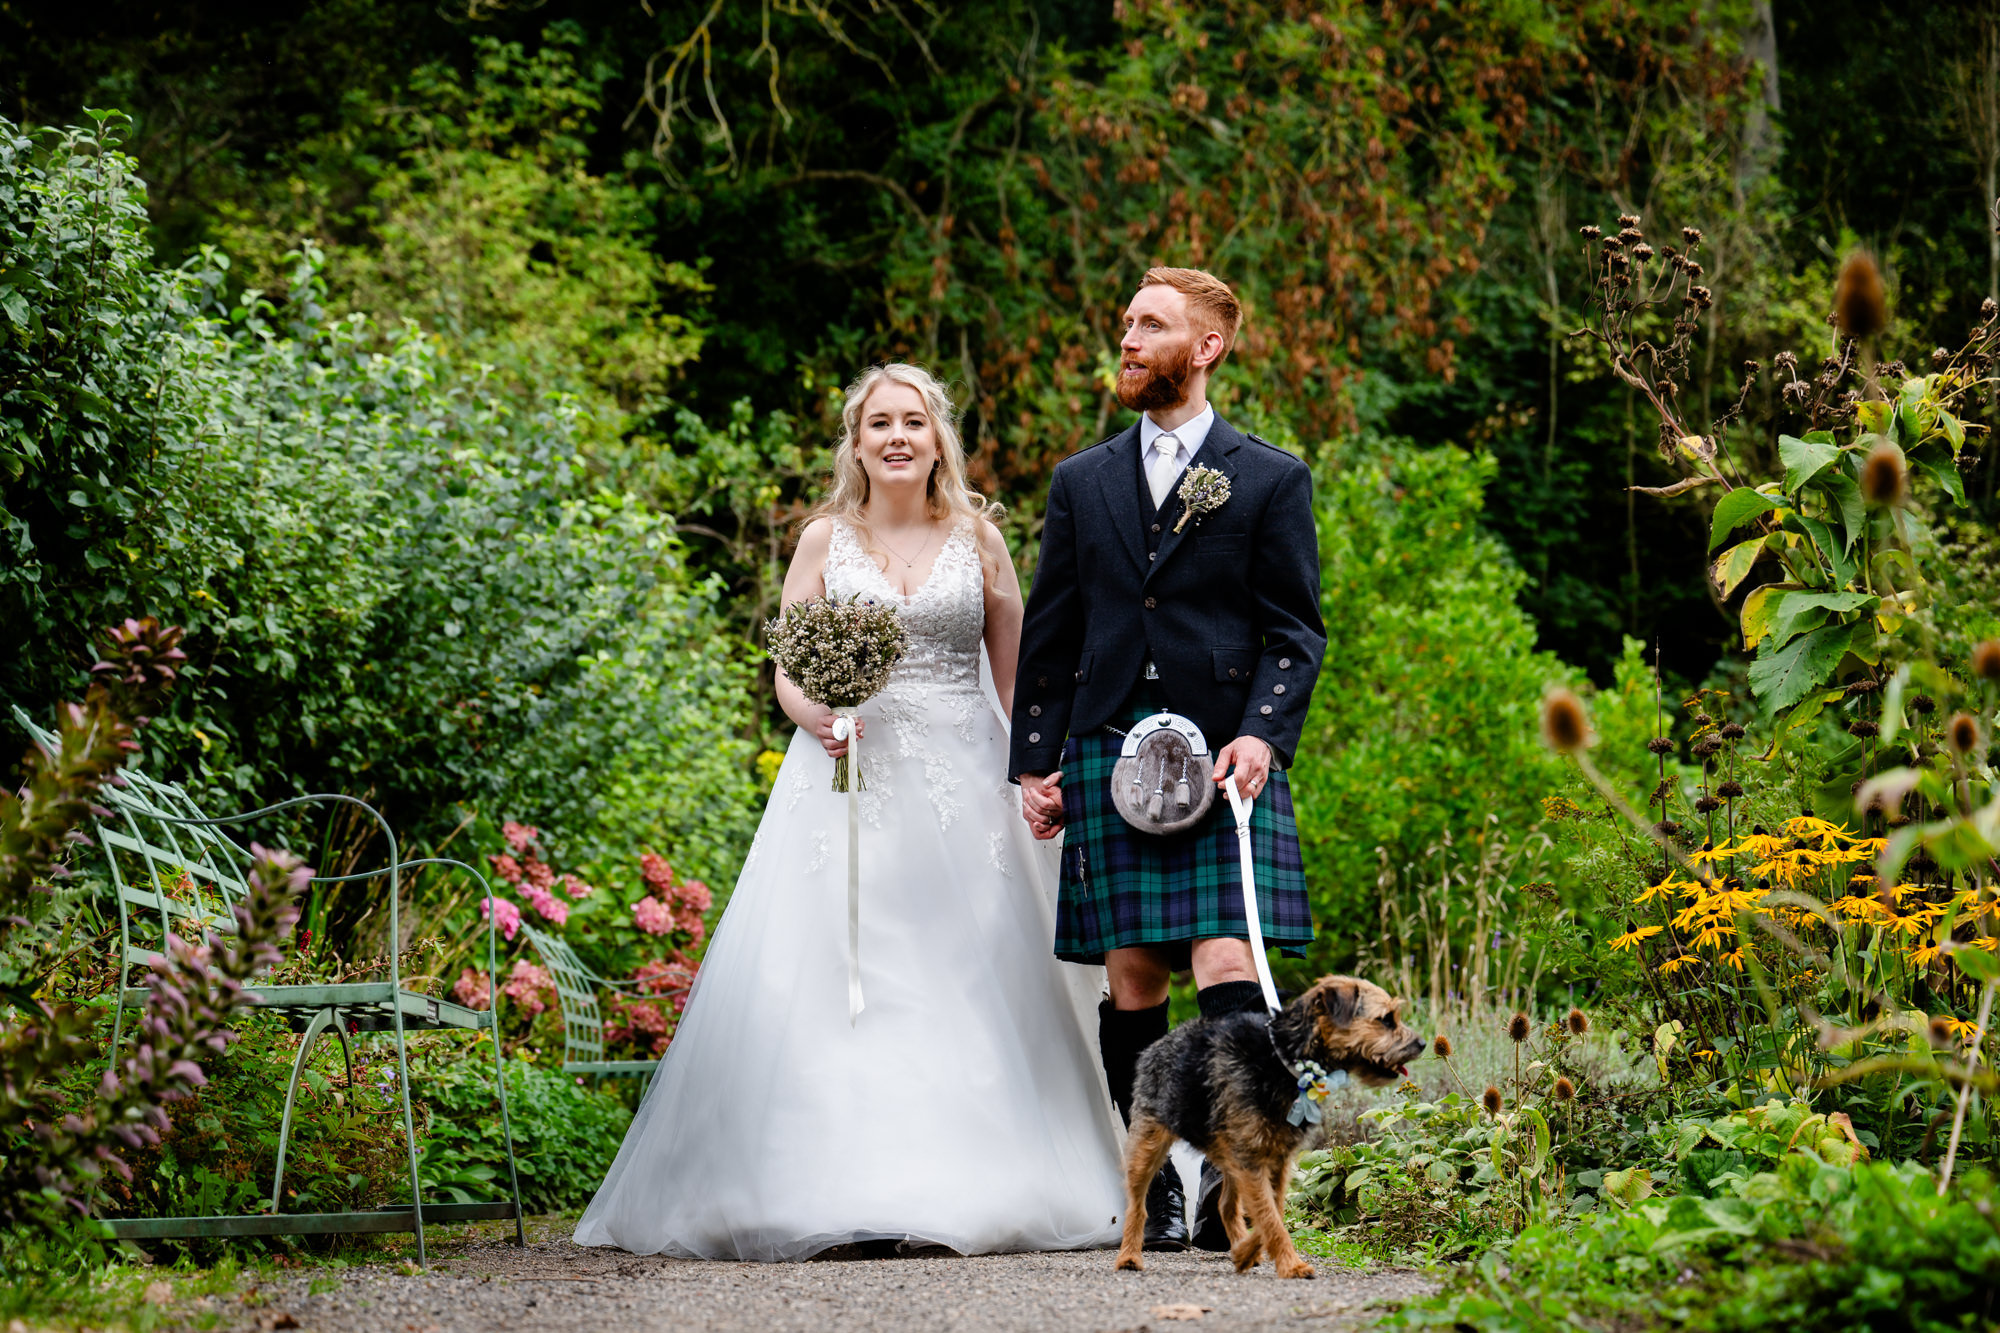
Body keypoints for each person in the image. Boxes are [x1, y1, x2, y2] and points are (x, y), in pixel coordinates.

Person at [574, 363, 1126, 1261]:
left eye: (915, 420)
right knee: (847, 970)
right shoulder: (824, 540)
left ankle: (975, 1180)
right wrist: (819, 716)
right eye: (881, 423)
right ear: (857, 441)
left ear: (939, 437)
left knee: (972, 967)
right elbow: (789, 667)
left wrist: (1040, 770)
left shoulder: (978, 539)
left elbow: (1021, 675)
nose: (899, 436)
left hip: (967, 780)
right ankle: (844, 1188)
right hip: (847, 773)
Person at [1010, 267, 1326, 1251]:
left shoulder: (1267, 476)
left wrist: (1261, 733)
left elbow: (1293, 632)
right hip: (1108, 749)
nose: (1129, 338)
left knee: (1227, 955)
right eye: (1124, 324)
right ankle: (1172, 1172)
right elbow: (1053, 630)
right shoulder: (1083, 480)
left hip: (1220, 759)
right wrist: (1035, 761)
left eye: (1150, 324)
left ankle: (1242, 1171)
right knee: (1135, 975)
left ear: (1206, 347)